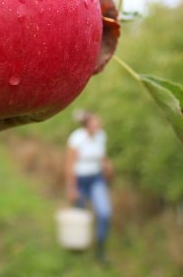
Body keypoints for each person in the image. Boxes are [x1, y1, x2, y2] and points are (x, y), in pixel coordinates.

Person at [65, 111, 113, 262]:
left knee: (104, 213)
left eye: (98, 123)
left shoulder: (101, 136)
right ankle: (78, 244)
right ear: (86, 125)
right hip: (80, 180)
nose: (98, 126)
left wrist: (107, 166)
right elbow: (70, 164)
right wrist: (71, 188)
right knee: (81, 213)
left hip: (96, 179)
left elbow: (102, 156)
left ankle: (100, 248)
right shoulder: (76, 138)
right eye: (94, 123)